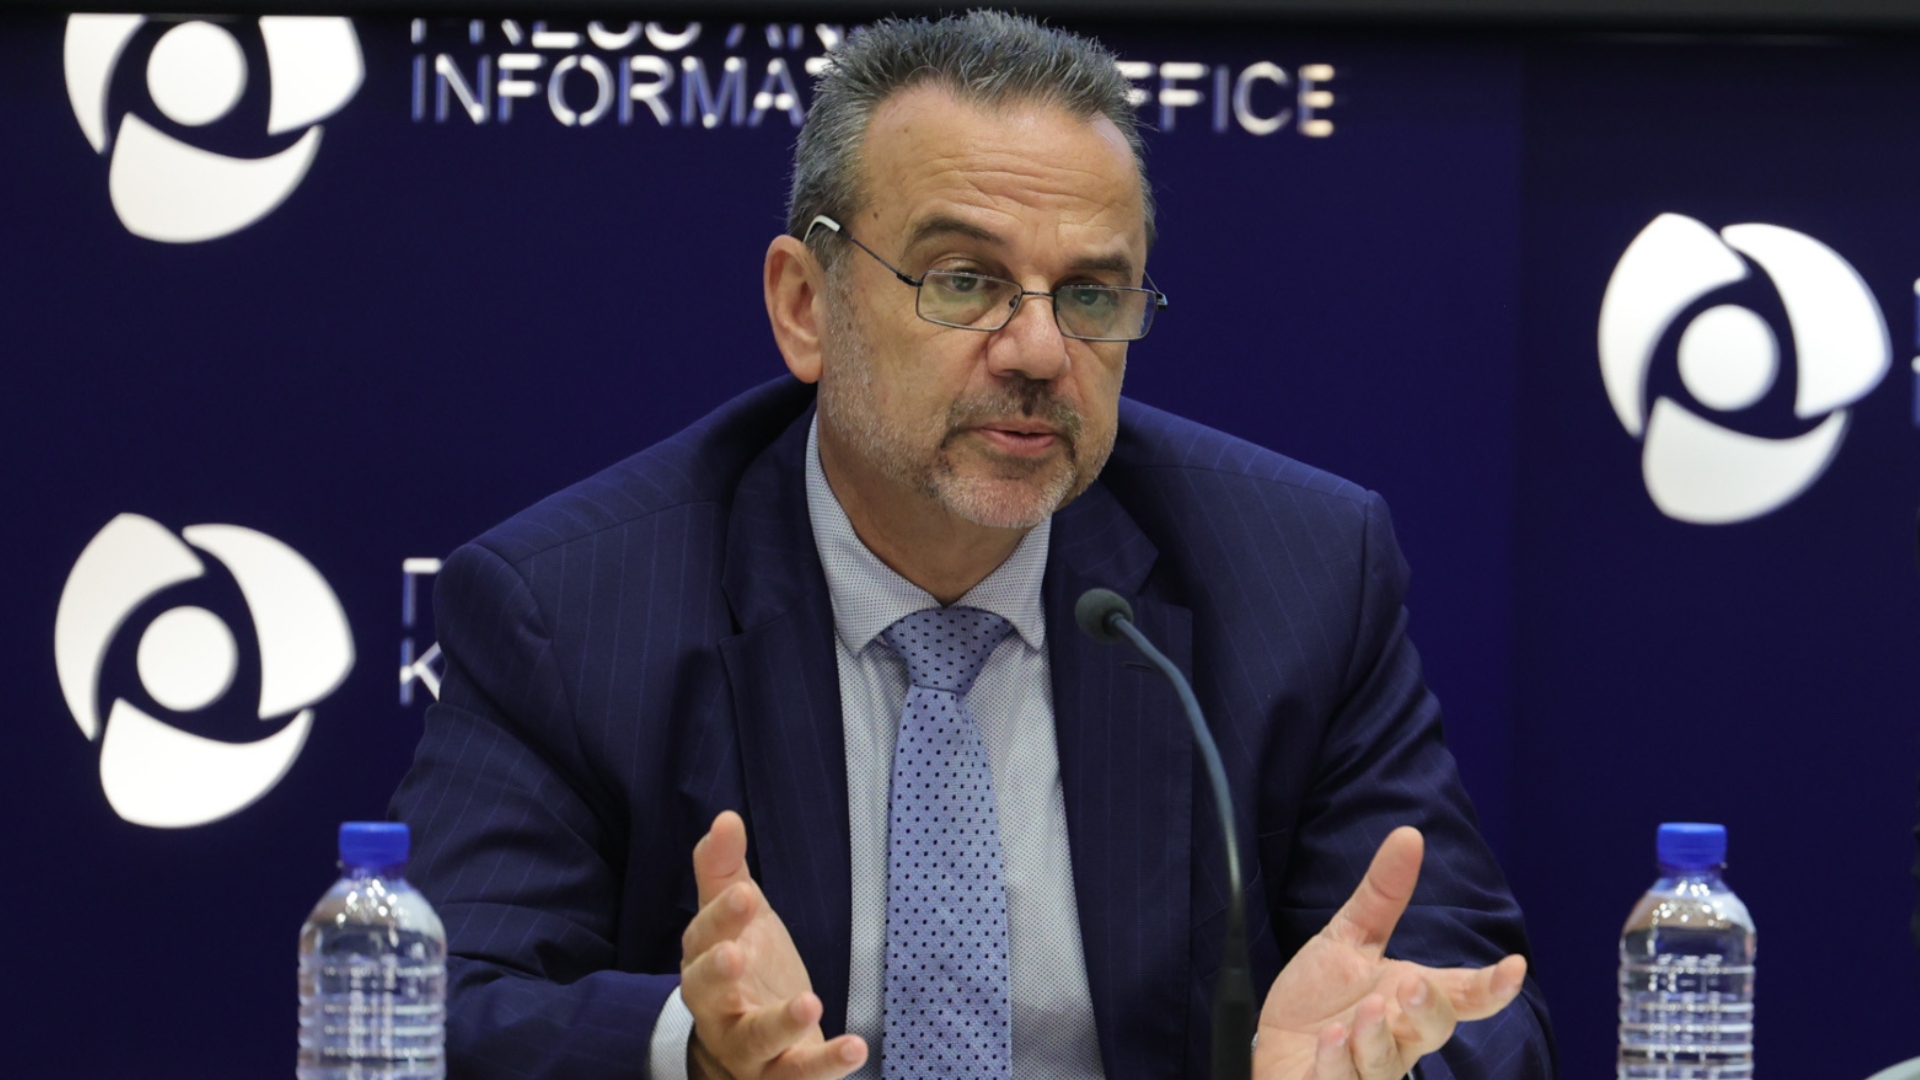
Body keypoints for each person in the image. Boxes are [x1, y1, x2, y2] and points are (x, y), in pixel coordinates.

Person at [391, 12, 1555, 1080]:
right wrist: (691, 1048)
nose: (1040, 352)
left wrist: (1375, 1063)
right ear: (805, 306)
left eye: (1090, 295)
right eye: (964, 281)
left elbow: (1480, 1008)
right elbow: (430, 1012)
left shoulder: (1300, 577)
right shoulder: (572, 607)